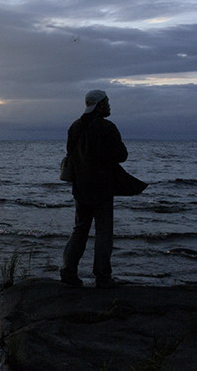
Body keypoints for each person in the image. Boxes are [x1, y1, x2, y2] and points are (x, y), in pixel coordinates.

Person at [60, 90, 128, 289]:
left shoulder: (75, 126)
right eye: (106, 102)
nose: (109, 105)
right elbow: (121, 155)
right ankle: (103, 277)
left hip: (81, 186)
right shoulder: (107, 127)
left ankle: (68, 272)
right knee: (104, 231)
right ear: (99, 105)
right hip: (103, 187)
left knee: (80, 229)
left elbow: (70, 153)